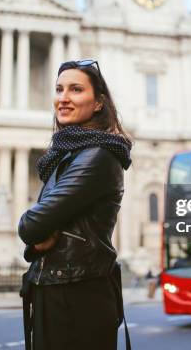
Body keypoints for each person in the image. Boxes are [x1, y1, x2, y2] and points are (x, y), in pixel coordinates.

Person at [18, 59, 132, 350]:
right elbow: (40, 229)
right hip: (59, 289)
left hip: (78, 297)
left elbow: (32, 225)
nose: (63, 98)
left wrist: (36, 233)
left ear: (98, 103)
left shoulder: (97, 155)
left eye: (76, 89)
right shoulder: (67, 154)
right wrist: (38, 240)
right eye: (59, 89)